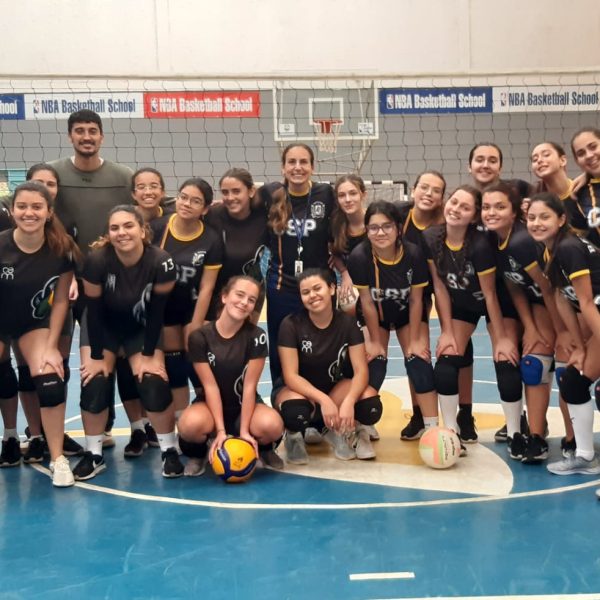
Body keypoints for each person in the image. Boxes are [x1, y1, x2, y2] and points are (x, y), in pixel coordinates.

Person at [74, 205, 181, 480]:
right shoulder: (97, 261)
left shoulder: (161, 261)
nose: (121, 232)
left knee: (153, 381)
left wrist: (148, 353)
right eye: (115, 228)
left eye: (128, 226)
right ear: (108, 234)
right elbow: (93, 310)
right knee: (95, 382)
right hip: (103, 327)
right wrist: (96, 356)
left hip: (141, 327)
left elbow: (157, 311)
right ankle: (94, 454)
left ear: (143, 230)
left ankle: (169, 450)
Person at [50, 109, 134, 449]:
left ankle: (107, 428)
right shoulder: (52, 174)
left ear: (102, 136)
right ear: (70, 135)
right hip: (60, 281)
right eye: (80, 131)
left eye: (92, 131)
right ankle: (47, 434)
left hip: (106, 285)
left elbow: (152, 205)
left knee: (108, 356)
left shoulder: (123, 176)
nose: (86, 136)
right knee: (55, 357)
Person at [422, 186, 521, 451]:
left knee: (505, 360)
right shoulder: (431, 237)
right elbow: (439, 287)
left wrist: (501, 338)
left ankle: (515, 433)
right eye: (454, 202)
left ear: (474, 216)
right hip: (462, 303)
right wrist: (446, 331)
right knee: (446, 361)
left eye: (465, 207)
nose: (456, 209)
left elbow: (489, 294)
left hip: (497, 302)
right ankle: (452, 431)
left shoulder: (480, 244)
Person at [481, 182, 574, 462]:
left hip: (566, 302)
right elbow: (515, 287)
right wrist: (531, 328)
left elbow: (549, 287)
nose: (491, 212)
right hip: (539, 303)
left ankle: (573, 439)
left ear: (514, 212)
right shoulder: (494, 242)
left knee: (567, 366)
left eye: (500, 207)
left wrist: (562, 331)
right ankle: (536, 437)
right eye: (486, 207)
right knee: (533, 364)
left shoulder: (522, 241)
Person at [347, 201, 449, 441]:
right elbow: (367, 302)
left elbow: (416, 300)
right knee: (374, 361)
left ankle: (431, 428)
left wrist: (413, 340)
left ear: (398, 229)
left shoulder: (413, 254)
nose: (380, 233)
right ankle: (363, 423)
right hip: (376, 314)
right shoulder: (359, 257)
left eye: (387, 226)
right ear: (366, 230)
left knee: (418, 360)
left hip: (407, 313)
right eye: (374, 228)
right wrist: (374, 341)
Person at [0, 182, 79, 486]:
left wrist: (50, 345)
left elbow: (60, 301)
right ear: (12, 210)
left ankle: (57, 458)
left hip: (32, 324)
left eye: (36, 207)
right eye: (22, 206)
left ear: (49, 212)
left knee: (50, 378)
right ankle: (9, 436)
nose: (28, 213)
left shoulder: (61, 248)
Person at [178, 276, 284, 476]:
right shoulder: (199, 337)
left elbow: (250, 387)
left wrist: (244, 431)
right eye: (240, 295)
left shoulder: (256, 336)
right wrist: (219, 430)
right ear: (224, 296)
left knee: (272, 425)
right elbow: (210, 387)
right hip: (210, 407)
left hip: (244, 407)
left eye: (251, 300)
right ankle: (199, 453)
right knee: (189, 425)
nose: (244, 302)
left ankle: (263, 449)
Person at [526, 192, 600, 479]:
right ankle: (585, 456)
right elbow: (561, 298)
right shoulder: (547, 250)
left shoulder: (569, 247)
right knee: (573, 382)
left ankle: (585, 456)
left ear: (561, 219)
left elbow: (586, 302)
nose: (537, 222)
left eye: (544, 217)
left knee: (576, 382)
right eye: (532, 217)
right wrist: (578, 346)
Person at [274, 269, 381, 464]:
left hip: (335, 390)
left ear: (332, 289)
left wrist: (349, 401)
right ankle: (293, 435)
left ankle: (344, 430)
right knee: (295, 410)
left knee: (370, 404)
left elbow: (361, 370)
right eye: (306, 292)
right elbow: (291, 376)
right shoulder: (290, 325)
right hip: (301, 393)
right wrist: (323, 400)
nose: (312, 295)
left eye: (317, 288)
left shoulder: (348, 323)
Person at [148, 178, 223, 432]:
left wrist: (196, 324)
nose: (187, 204)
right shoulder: (157, 228)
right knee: (175, 368)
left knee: (198, 363)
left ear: (205, 208)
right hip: (165, 308)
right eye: (183, 197)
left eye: (195, 201)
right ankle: (182, 424)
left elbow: (207, 287)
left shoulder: (211, 239)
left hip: (195, 307)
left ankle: (210, 419)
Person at [260, 144, 335, 381]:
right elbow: (241, 206)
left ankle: (322, 390)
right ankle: (282, 393)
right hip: (282, 286)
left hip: (319, 286)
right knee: (281, 344)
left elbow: (344, 226)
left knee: (322, 343)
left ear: (313, 167)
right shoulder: (270, 194)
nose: (298, 167)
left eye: (304, 162)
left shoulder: (326, 194)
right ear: (283, 168)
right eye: (291, 162)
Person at [204, 168, 268, 322]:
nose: (230, 197)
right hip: (215, 294)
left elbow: (279, 190)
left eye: (236, 191)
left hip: (249, 295)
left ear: (251, 191)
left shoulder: (265, 216)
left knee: (245, 335)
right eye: (225, 192)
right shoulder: (212, 215)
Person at [569, 127, 600, 247]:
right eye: (581, 154)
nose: (589, 155)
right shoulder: (580, 194)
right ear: (577, 162)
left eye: (593, 147)